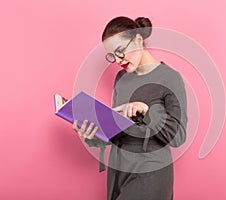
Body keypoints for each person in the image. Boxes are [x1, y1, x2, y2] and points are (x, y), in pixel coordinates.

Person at [72, 16, 188, 200]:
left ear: (138, 40)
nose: (118, 60)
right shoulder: (121, 79)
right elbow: (117, 129)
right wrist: (92, 134)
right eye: (112, 55)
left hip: (151, 171)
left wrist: (147, 110)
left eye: (120, 51)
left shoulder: (170, 78)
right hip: (119, 171)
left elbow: (178, 136)